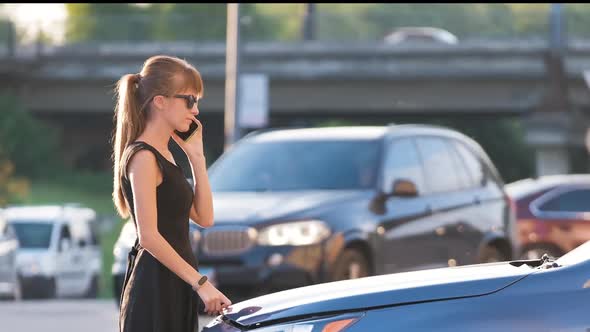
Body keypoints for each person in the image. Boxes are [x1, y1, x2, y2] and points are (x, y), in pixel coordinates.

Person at [112, 55, 231, 332]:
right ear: (160, 101)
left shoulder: (165, 154)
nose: (196, 110)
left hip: (176, 283)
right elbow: (149, 236)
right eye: (190, 100)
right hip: (154, 288)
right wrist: (201, 283)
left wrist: (197, 158)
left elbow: (205, 217)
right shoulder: (142, 157)